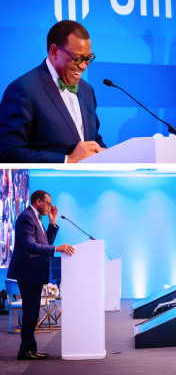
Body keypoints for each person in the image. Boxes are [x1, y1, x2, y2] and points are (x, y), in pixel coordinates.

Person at [0, 20, 106, 163]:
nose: (83, 66)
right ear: (54, 51)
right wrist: (67, 160)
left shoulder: (87, 90)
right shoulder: (23, 89)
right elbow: (8, 151)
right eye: (78, 58)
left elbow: (93, 139)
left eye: (88, 59)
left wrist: (102, 153)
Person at [7, 190, 75, 360]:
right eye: (48, 204)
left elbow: (45, 244)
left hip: (33, 272)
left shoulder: (35, 218)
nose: (50, 207)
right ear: (38, 201)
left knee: (32, 311)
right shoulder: (27, 218)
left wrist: (52, 223)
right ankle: (26, 350)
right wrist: (57, 249)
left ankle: (30, 349)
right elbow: (30, 246)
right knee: (30, 312)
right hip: (28, 272)